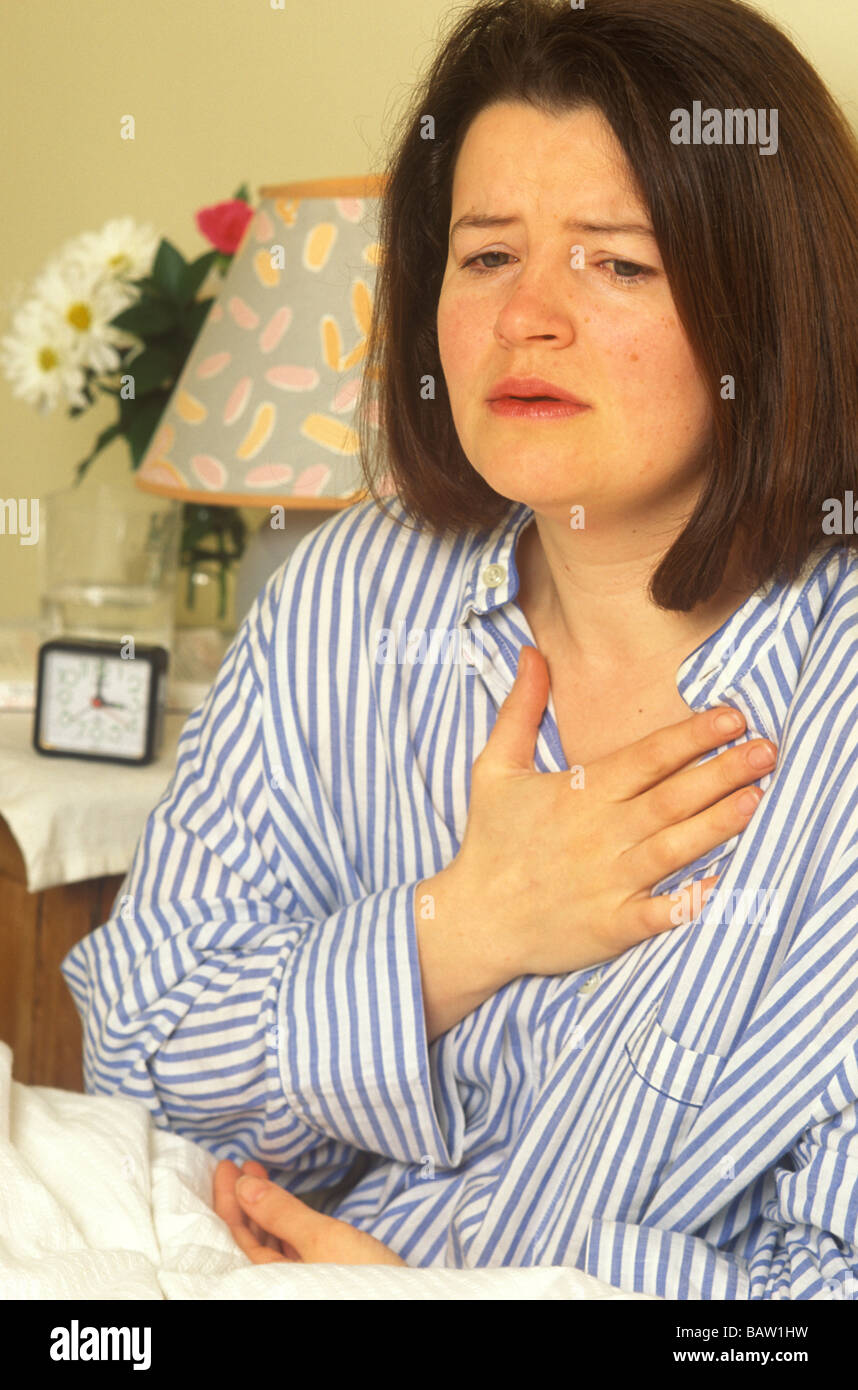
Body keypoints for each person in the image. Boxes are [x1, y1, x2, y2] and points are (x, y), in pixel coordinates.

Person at [61, 0, 858, 1297]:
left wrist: (454, 1298)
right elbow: (140, 1061)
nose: (526, 317)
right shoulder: (348, 594)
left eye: (616, 262)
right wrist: (452, 932)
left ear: (766, 313)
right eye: (485, 256)